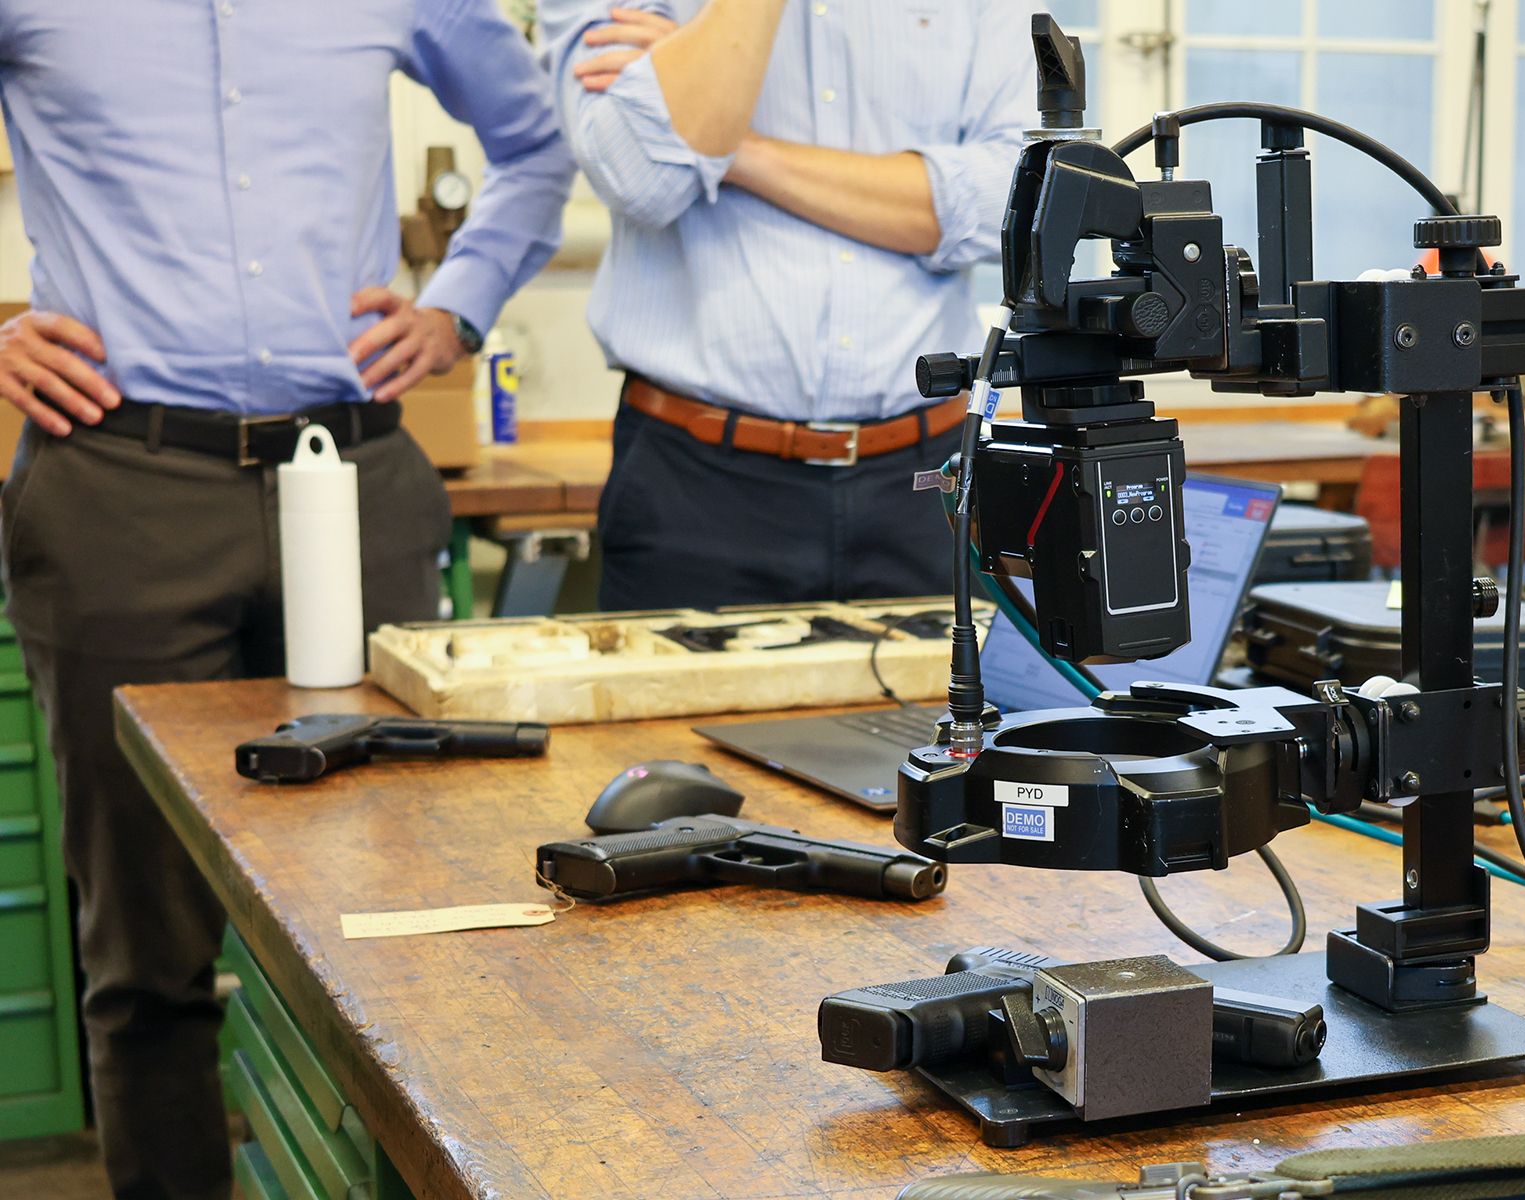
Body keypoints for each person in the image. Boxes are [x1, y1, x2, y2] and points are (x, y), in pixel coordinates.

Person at [0, 5, 574, 1196]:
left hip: (356, 479)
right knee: (144, 956)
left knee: (405, 931)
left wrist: (456, 306)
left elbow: (537, 144)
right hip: (122, 488)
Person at [539, 0, 1032, 609]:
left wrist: (734, 147)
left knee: (951, 679)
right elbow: (642, 178)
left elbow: (1013, 203)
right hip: (696, 482)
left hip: (929, 478)